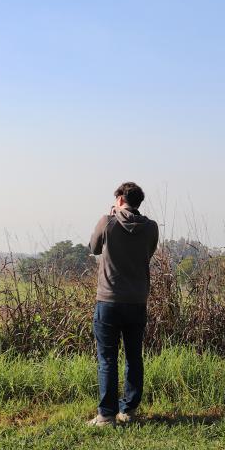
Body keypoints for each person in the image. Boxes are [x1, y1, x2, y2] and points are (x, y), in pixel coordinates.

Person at [87, 182, 159, 427]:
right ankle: (128, 410)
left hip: (108, 300)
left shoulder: (107, 222)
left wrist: (110, 216)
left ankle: (106, 415)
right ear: (138, 202)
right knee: (134, 357)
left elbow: (94, 248)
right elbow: (146, 254)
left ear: (119, 199)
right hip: (136, 301)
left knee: (107, 359)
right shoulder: (150, 228)